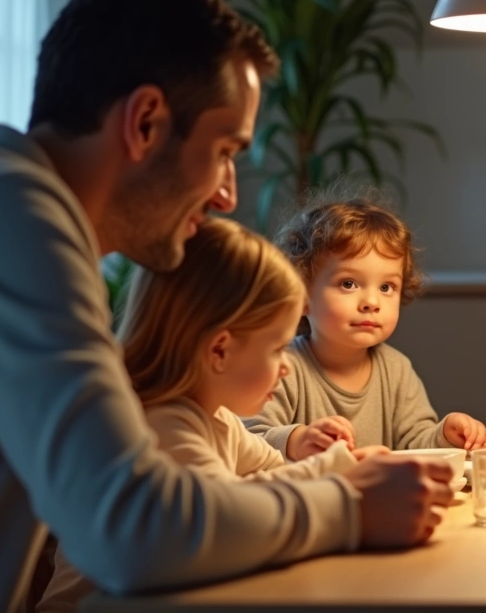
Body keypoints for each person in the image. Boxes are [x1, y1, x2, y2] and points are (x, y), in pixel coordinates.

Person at [0, 0, 448, 611]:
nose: (228, 196)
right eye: (224, 151)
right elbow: (129, 529)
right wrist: (350, 506)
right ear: (145, 122)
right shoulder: (8, 217)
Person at [40, 218, 395, 611]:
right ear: (220, 351)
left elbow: (270, 476)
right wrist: (341, 481)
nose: (286, 366)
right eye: (277, 348)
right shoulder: (160, 426)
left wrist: (340, 467)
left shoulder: (216, 419)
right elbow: (224, 518)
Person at [246, 199, 486, 459]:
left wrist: (445, 435)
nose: (372, 303)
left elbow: (415, 444)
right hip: (312, 499)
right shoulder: (281, 368)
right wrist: (296, 440)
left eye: (386, 287)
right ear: (302, 295)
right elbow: (247, 443)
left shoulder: (396, 370)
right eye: (349, 283)